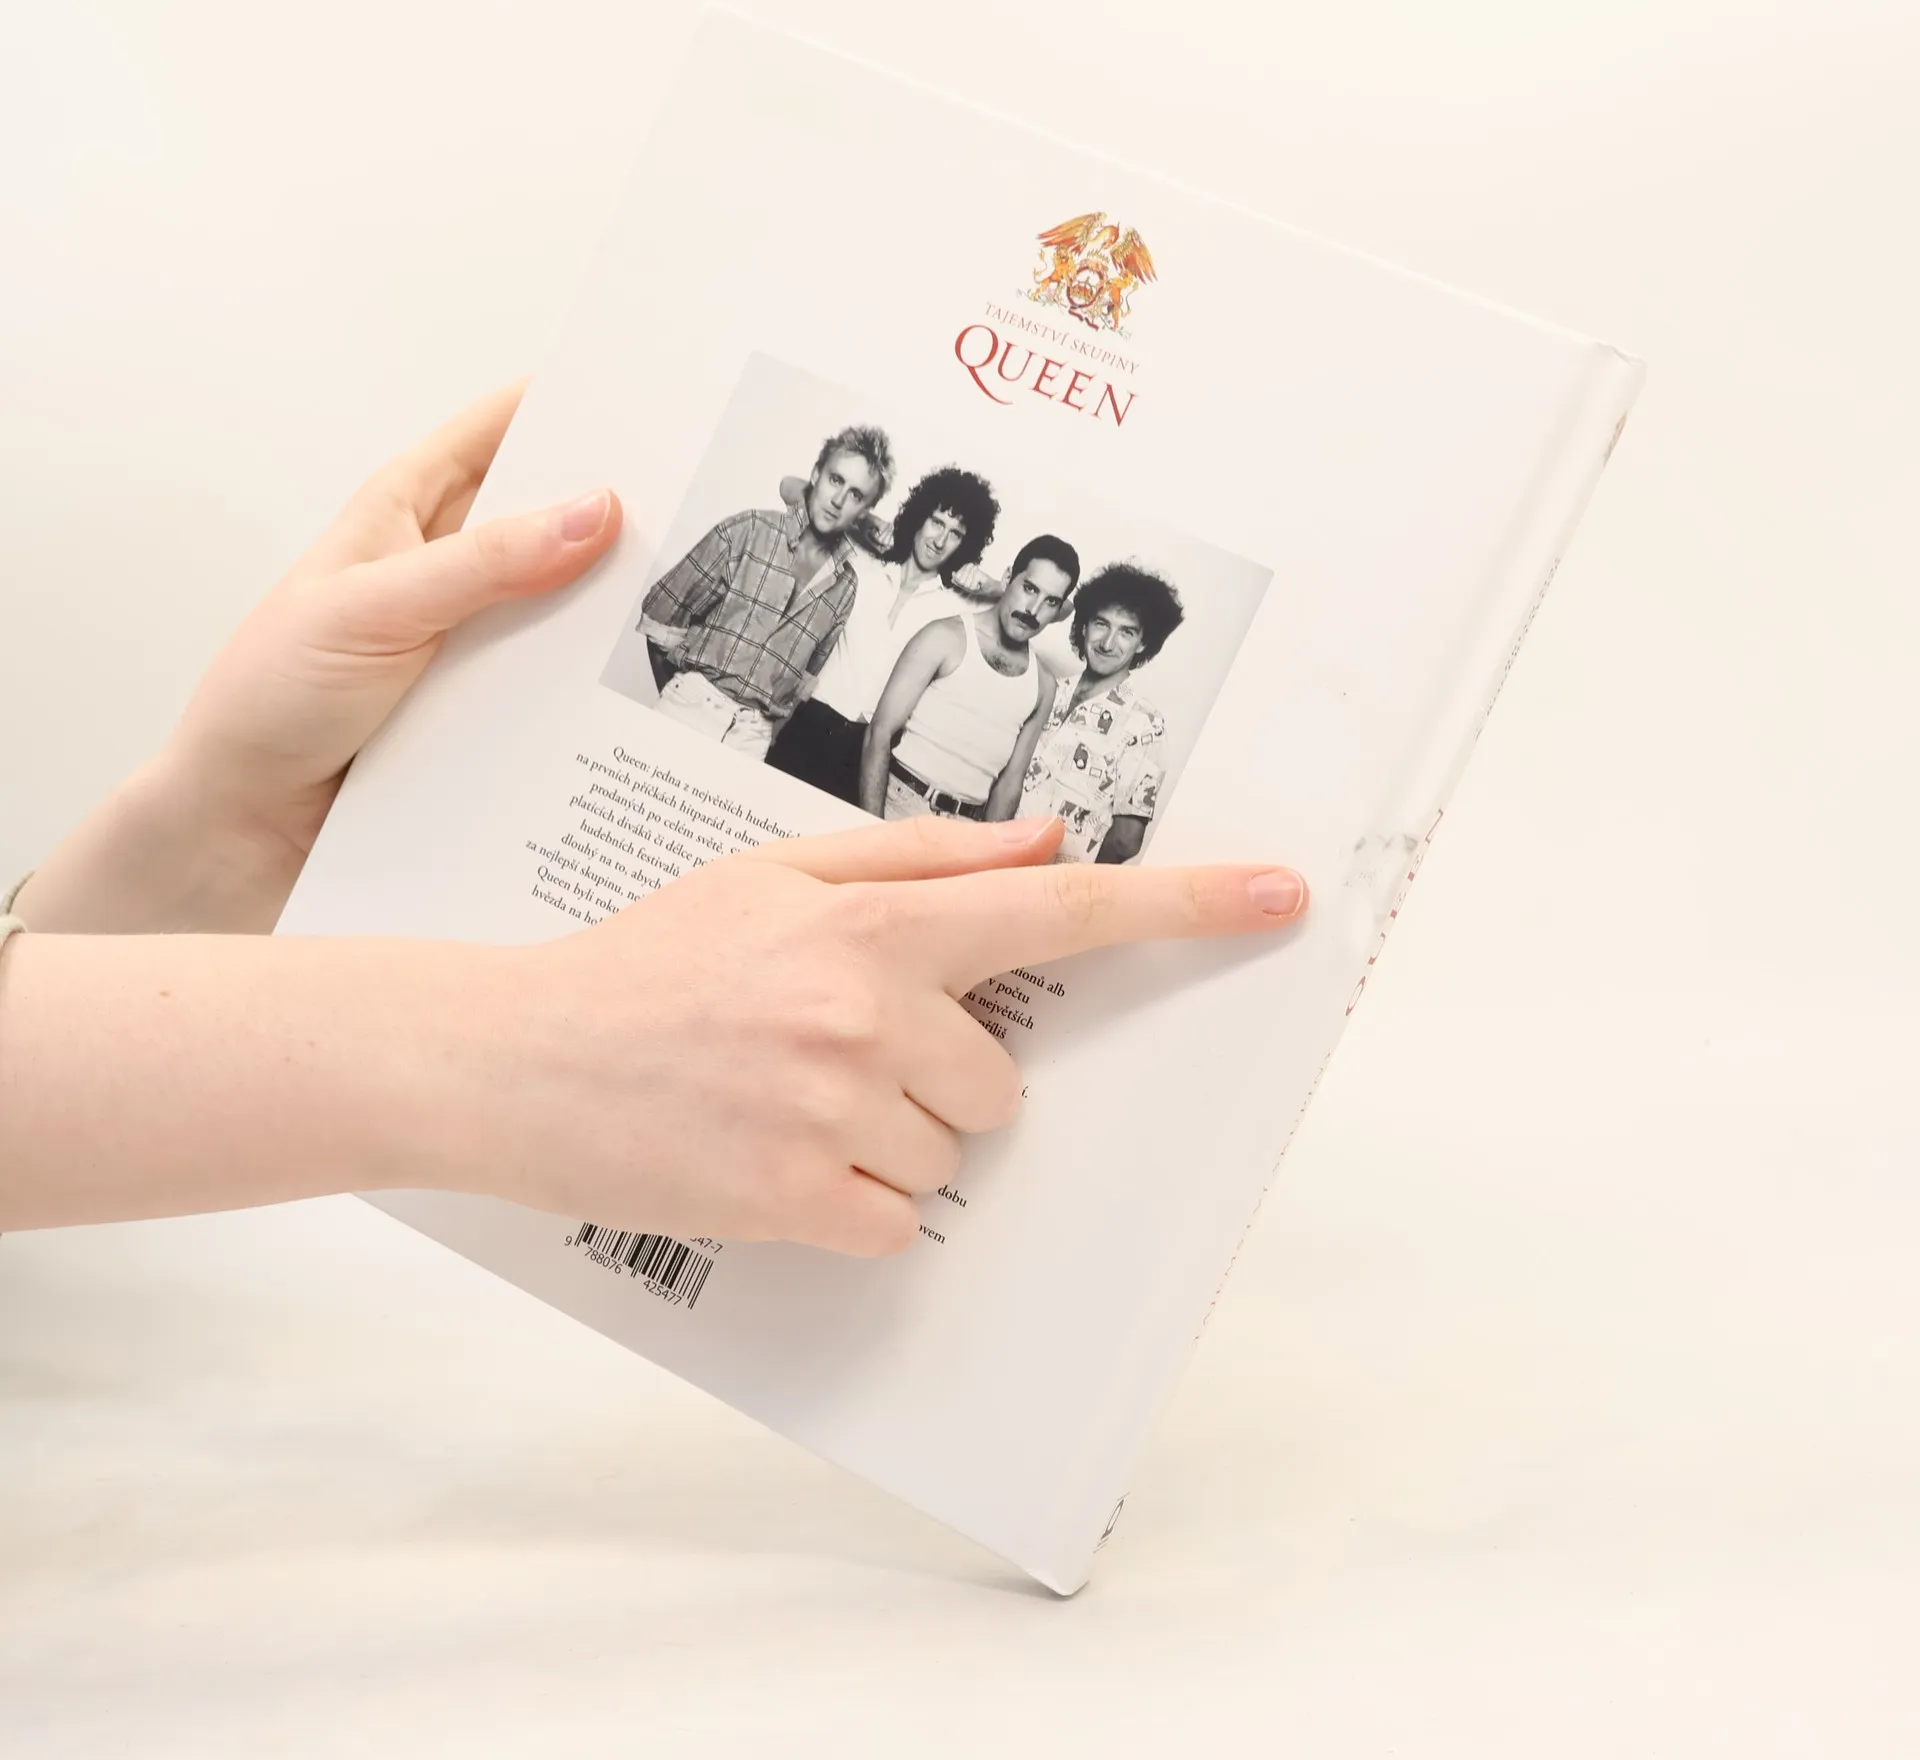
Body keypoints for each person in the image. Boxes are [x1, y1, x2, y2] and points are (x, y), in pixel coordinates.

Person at [0, 390, 1309, 1253]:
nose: (845, 504)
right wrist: (518, 1048)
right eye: (834, 482)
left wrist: (224, 821)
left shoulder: (904, 613)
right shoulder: (789, 551)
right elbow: (721, 642)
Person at [637, 424, 893, 757]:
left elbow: (804, 680)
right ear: (816, 474)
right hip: (689, 705)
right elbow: (661, 619)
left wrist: (764, 735)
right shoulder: (750, 529)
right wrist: (681, 697)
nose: (839, 500)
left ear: (865, 512)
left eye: (856, 495)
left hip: (752, 738)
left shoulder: (845, 587)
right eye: (835, 480)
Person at [767, 466, 1000, 805]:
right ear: (919, 516)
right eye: (936, 522)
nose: (940, 540)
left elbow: (1055, 610)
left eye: (955, 534)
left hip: (869, 751)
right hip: (808, 724)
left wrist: (994, 586)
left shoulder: (958, 604)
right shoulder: (864, 560)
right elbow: (788, 487)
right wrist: (864, 520)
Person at [860, 536, 1078, 824]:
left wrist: (987, 849)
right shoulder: (944, 637)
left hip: (967, 828)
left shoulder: (1044, 686)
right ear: (1007, 578)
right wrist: (873, 828)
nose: (1033, 610)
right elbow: (879, 733)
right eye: (1029, 588)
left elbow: (1010, 784)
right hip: (899, 806)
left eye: (1050, 601)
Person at [1019, 561, 1184, 865]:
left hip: (1054, 885)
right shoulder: (1049, 689)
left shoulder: (1144, 725)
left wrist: (1072, 888)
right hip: (993, 858)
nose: (1108, 643)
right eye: (1101, 624)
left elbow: (1125, 841)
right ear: (1084, 626)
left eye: (1126, 632)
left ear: (1143, 643)